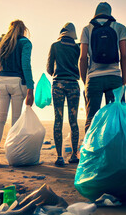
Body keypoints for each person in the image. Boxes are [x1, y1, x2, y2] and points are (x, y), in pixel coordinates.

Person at [0, 20, 34, 165]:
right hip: (17, 83)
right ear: (23, 30)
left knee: (0, 119)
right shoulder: (25, 43)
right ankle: (12, 153)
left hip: (0, 81)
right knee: (15, 120)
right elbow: (26, 65)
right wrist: (30, 88)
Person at [79, 2, 126, 132]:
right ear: (110, 12)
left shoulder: (87, 29)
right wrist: (123, 82)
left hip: (94, 78)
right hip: (114, 78)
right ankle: (114, 151)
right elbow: (124, 55)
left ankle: (90, 151)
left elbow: (83, 58)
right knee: (115, 120)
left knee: (91, 120)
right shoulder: (119, 27)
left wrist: (85, 82)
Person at [46, 22, 80, 167]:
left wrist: (56, 72)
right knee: (73, 120)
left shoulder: (55, 46)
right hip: (73, 84)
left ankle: (59, 157)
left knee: (58, 119)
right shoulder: (78, 47)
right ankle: (74, 155)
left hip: (58, 84)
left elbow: (48, 68)